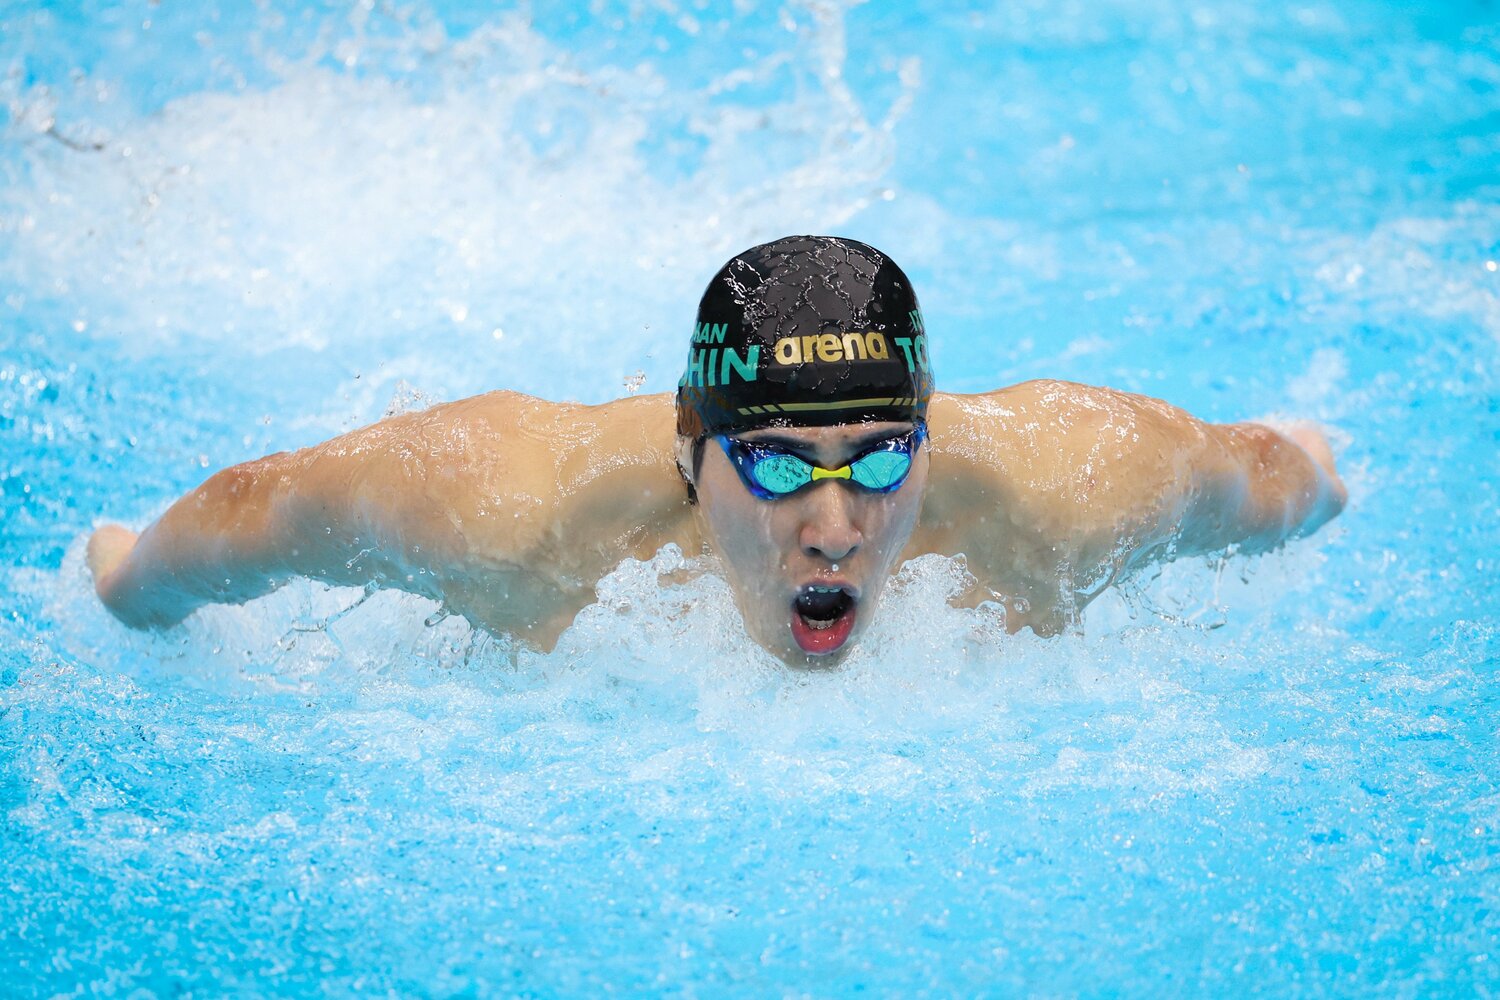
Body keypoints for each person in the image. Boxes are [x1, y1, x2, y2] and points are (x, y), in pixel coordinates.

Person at [87, 236, 1346, 666]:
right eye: (782, 465)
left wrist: (1319, 469)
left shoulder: (1072, 487)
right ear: (690, 455)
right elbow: (253, 510)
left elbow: (1276, 476)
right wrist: (128, 584)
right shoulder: (506, 515)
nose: (837, 527)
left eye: (879, 457)